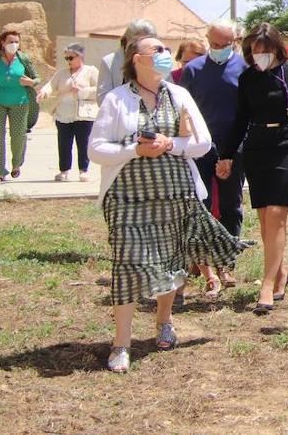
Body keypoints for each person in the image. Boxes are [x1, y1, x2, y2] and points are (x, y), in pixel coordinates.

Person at [88, 33, 247, 372]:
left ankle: (164, 321)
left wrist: (169, 143)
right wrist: (135, 149)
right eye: (156, 50)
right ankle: (121, 342)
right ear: (137, 60)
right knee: (127, 263)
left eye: (164, 49)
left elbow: (202, 142)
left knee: (171, 262)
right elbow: (95, 149)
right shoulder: (117, 100)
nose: (164, 54)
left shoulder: (179, 94)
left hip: (175, 195)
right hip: (128, 197)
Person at [217, 23, 288, 314]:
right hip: (257, 149)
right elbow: (240, 118)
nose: (259, 56)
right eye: (254, 51)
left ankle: (265, 286)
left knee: (277, 214)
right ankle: (280, 273)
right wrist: (226, 154)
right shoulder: (248, 78)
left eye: (264, 51)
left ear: (275, 48)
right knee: (266, 220)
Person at [179, 19, 249, 292]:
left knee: (232, 205)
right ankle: (202, 262)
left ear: (235, 42)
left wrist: (231, 154)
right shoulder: (193, 71)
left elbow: (248, 114)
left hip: (234, 150)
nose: (219, 49)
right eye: (214, 44)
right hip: (200, 150)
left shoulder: (244, 69)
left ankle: (227, 264)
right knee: (200, 207)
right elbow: (183, 114)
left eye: (225, 45)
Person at [36, 42, 99, 182]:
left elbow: (99, 90)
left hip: (83, 114)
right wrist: (43, 93)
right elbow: (51, 85)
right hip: (64, 114)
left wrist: (82, 91)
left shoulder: (91, 71)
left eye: (71, 57)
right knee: (64, 143)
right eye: (67, 58)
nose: (69, 61)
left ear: (80, 56)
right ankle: (64, 170)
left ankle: (84, 170)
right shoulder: (62, 73)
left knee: (83, 143)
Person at [0, 28, 40, 181]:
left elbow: (37, 78)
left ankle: (16, 164)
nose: (14, 44)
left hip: (20, 102)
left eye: (16, 42)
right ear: (2, 43)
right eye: (10, 42)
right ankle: (0, 172)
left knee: (18, 135)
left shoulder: (24, 59)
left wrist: (31, 82)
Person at [97, 20, 158, 100]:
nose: (141, 47)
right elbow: (102, 98)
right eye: (138, 42)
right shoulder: (109, 62)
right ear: (126, 40)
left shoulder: (157, 61)